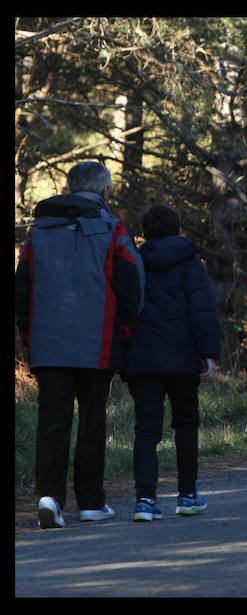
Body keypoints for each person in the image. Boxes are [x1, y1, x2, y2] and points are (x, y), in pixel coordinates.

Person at [15, 161, 145, 529]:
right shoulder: (114, 229)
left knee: (52, 421)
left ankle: (49, 498)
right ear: (105, 191)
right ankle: (90, 502)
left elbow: (21, 290)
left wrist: (29, 336)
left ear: (69, 187)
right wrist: (126, 332)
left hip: (49, 343)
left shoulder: (38, 234)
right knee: (92, 420)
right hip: (98, 343)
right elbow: (133, 286)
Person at [124, 205, 221, 522]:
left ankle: (145, 500)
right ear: (178, 229)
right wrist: (209, 354)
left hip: (143, 357)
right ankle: (188, 494)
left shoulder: (135, 262)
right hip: (182, 358)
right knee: (186, 424)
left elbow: (125, 308)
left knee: (147, 429)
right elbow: (203, 309)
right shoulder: (191, 265)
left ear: (145, 232)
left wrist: (122, 355)